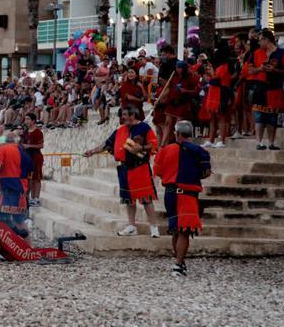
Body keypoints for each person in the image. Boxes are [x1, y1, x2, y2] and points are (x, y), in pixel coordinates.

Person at [84, 106, 160, 237]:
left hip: (140, 167)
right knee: (128, 200)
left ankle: (154, 227)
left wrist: (140, 147)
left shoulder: (144, 128)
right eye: (121, 116)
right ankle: (131, 226)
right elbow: (106, 144)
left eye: (125, 115)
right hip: (124, 168)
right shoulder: (120, 130)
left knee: (146, 198)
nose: (123, 118)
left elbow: (154, 144)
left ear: (133, 115)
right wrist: (92, 151)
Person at [154, 120, 212, 277]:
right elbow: (206, 173)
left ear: (177, 133)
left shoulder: (165, 150)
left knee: (175, 229)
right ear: (190, 134)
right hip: (187, 195)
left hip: (170, 194)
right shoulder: (201, 152)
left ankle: (179, 262)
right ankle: (178, 265)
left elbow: (158, 171)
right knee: (184, 231)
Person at [0, 132, 31, 237]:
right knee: (19, 221)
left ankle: (12, 248)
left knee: (4, 220)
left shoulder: (1, 150)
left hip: (7, 189)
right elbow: (30, 174)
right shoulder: (23, 152)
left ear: (5, 141)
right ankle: (28, 249)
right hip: (21, 189)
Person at [250, 29, 284, 150]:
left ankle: (272, 142)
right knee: (259, 116)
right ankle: (259, 142)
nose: (259, 43)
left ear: (266, 40)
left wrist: (275, 71)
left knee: (272, 117)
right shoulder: (256, 53)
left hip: (275, 87)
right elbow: (250, 70)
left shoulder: (282, 53)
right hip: (260, 87)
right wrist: (260, 69)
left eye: (260, 40)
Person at [22, 113, 44, 207]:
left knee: (37, 178)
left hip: (36, 157)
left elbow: (41, 145)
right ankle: (31, 197)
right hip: (27, 158)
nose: (26, 121)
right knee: (29, 178)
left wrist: (29, 146)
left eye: (28, 119)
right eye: (25, 119)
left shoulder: (38, 132)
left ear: (33, 121)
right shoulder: (25, 132)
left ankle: (36, 198)